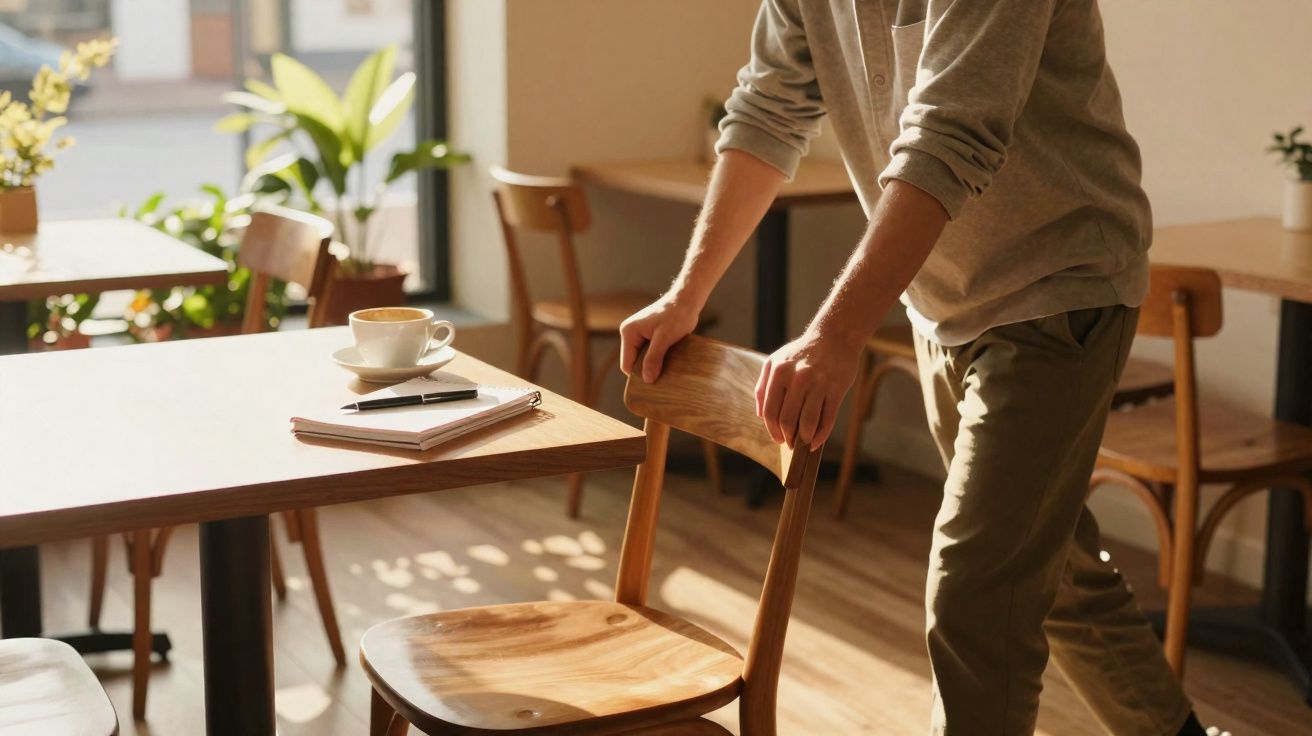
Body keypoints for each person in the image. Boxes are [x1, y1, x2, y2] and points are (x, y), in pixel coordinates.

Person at [618, 1, 1219, 734]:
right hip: (938, 302)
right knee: (1051, 571)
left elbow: (950, 134)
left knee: (977, 598)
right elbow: (767, 111)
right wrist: (687, 296)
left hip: (1056, 286)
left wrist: (834, 337)